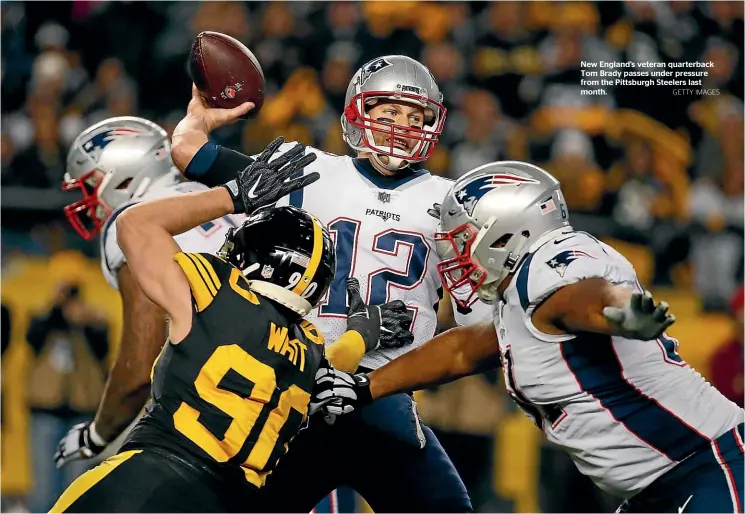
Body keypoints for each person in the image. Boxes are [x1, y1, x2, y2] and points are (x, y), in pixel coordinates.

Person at [312, 161, 745, 514]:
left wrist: (621, 310)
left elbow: (583, 296)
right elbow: (461, 350)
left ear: (507, 231)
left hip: (710, 463)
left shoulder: (549, 261)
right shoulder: (514, 301)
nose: (454, 253)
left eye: (463, 238)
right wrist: (365, 388)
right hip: (655, 490)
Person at [171, 55, 492, 512]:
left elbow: (477, 324)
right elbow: (193, 154)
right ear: (358, 114)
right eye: (389, 113)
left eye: (415, 116)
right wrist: (197, 119)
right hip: (295, 389)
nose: (403, 126)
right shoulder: (311, 171)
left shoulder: (451, 201)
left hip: (383, 395)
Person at [50, 138, 411, 512]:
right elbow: (332, 366)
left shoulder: (218, 292)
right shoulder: (309, 346)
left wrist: (233, 195)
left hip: (149, 479)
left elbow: (134, 225)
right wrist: (362, 335)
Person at [54, 115, 247, 468]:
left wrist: (96, 435)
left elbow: (140, 364)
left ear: (124, 175)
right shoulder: (211, 196)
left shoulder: (133, 221)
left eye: (90, 185)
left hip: (229, 412)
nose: (90, 202)